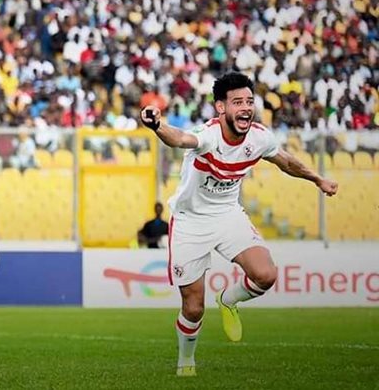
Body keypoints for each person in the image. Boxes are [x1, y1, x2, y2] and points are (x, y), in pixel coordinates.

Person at [140, 72, 338, 377]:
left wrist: (317, 179)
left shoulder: (259, 137)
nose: (246, 108)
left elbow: (286, 161)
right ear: (221, 107)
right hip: (190, 221)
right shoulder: (208, 135)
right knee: (193, 307)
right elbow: (179, 139)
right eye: (238, 102)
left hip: (228, 214)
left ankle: (228, 299)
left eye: (249, 101)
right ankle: (186, 360)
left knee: (266, 275)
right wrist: (157, 125)